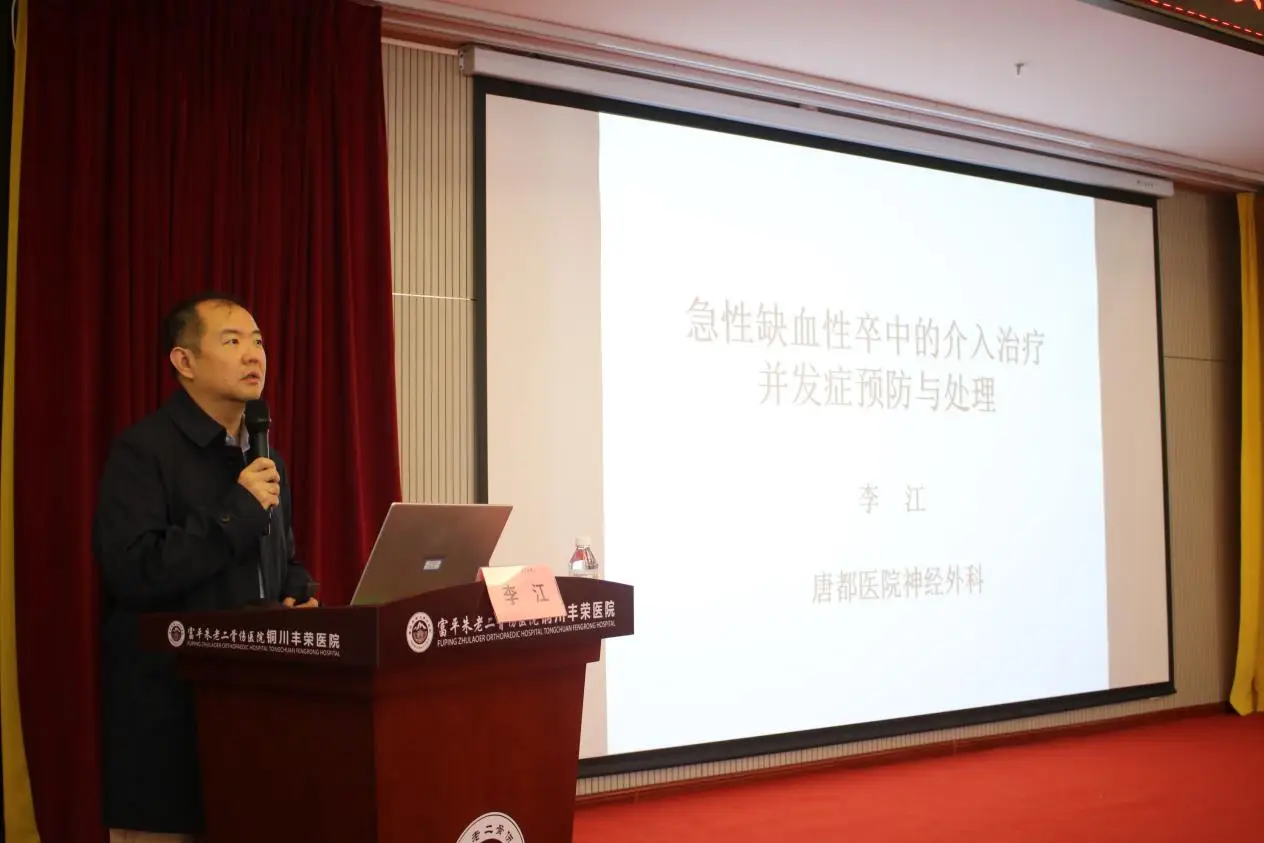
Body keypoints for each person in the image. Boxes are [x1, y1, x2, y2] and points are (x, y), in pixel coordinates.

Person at [93, 293, 318, 842]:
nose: (254, 355)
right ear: (184, 361)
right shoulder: (143, 451)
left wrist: (297, 589)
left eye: (258, 341)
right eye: (232, 341)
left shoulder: (265, 456)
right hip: (168, 722)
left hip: (254, 717)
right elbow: (133, 570)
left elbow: (281, 557)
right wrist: (236, 511)